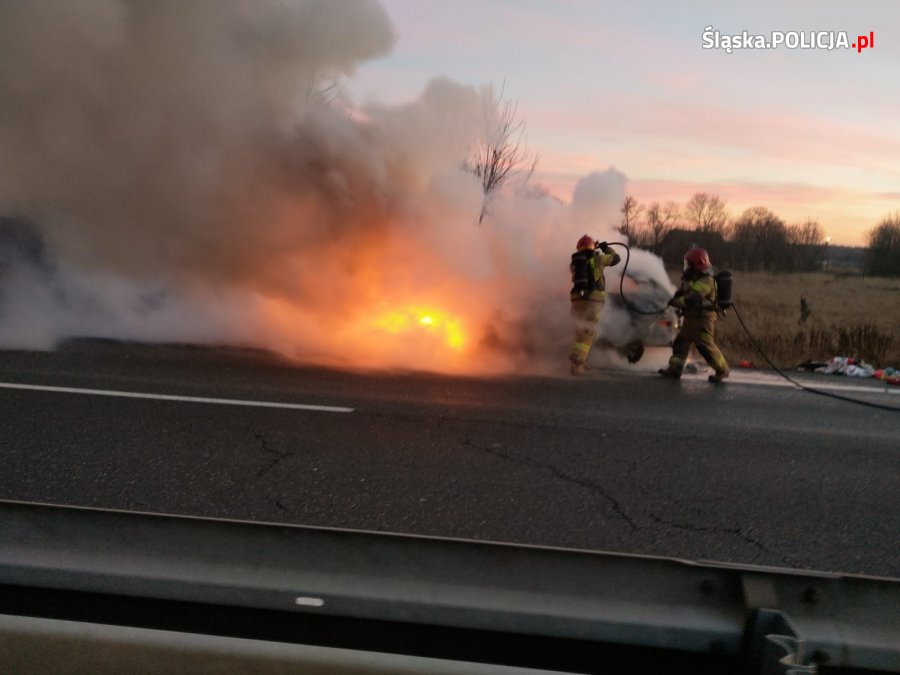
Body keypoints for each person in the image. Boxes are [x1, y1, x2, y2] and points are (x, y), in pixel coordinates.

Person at [659, 247, 730, 383]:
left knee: (705, 346)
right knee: (680, 343)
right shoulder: (693, 279)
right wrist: (673, 297)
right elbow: (683, 292)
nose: (686, 267)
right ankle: (675, 369)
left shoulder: (706, 281)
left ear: (698, 264)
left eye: (689, 264)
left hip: (703, 320)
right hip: (691, 318)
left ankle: (722, 370)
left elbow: (693, 299)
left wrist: (675, 302)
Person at [569, 235, 620, 375]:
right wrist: (605, 248)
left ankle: (580, 366)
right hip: (593, 299)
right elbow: (616, 258)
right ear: (592, 247)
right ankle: (577, 358)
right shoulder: (598, 258)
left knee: (580, 331)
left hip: (576, 299)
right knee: (589, 330)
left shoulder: (575, 262)